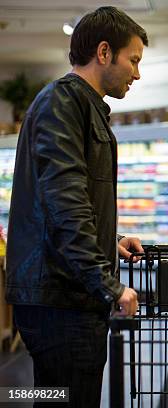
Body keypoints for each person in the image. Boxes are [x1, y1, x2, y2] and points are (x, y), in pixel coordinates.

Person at [5, 6, 147, 407]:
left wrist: (110, 240)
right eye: (133, 60)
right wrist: (109, 285)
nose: (137, 73)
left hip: (65, 294)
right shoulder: (63, 104)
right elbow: (65, 203)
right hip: (62, 300)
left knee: (55, 398)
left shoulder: (79, 106)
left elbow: (73, 200)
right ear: (104, 52)